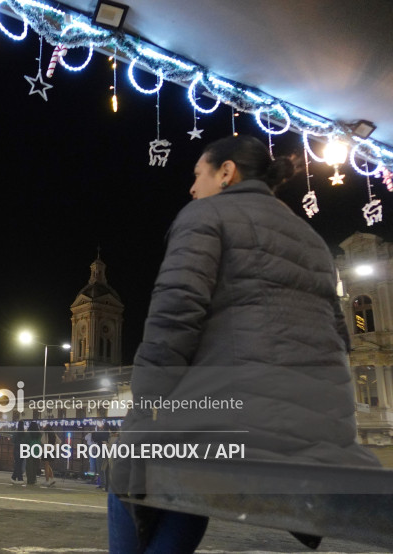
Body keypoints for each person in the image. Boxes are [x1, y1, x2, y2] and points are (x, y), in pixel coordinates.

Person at [108, 135, 382, 553]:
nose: (192, 187)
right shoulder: (312, 240)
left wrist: (145, 408)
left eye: (197, 174)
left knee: (129, 462)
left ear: (226, 171)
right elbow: (339, 340)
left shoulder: (205, 215)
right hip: (323, 438)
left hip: (240, 423)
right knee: (182, 458)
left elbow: (175, 317)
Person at [10, 420, 25, 484]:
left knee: (17, 464)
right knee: (19, 464)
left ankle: (19, 479)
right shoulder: (24, 433)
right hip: (23, 450)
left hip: (17, 449)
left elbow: (12, 440)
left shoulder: (16, 433)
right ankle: (14, 478)